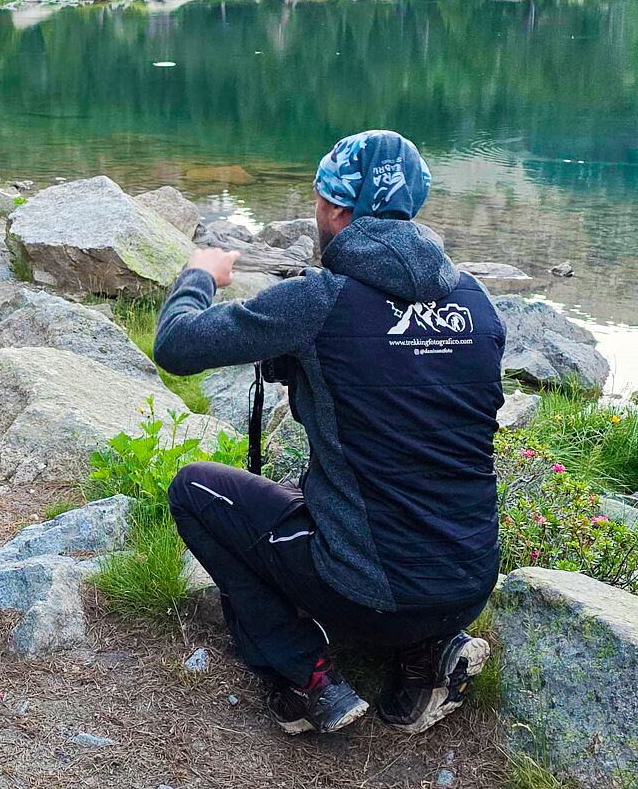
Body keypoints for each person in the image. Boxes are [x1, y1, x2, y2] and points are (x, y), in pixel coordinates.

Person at [152, 130, 503, 736]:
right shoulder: (476, 302)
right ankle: (425, 660)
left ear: (337, 207)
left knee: (194, 492)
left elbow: (177, 345)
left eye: (317, 198)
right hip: (468, 581)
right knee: (381, 496)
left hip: (363, 591)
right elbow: (403, 382)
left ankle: (307, 676)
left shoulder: (318, 302)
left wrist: (199, 274)